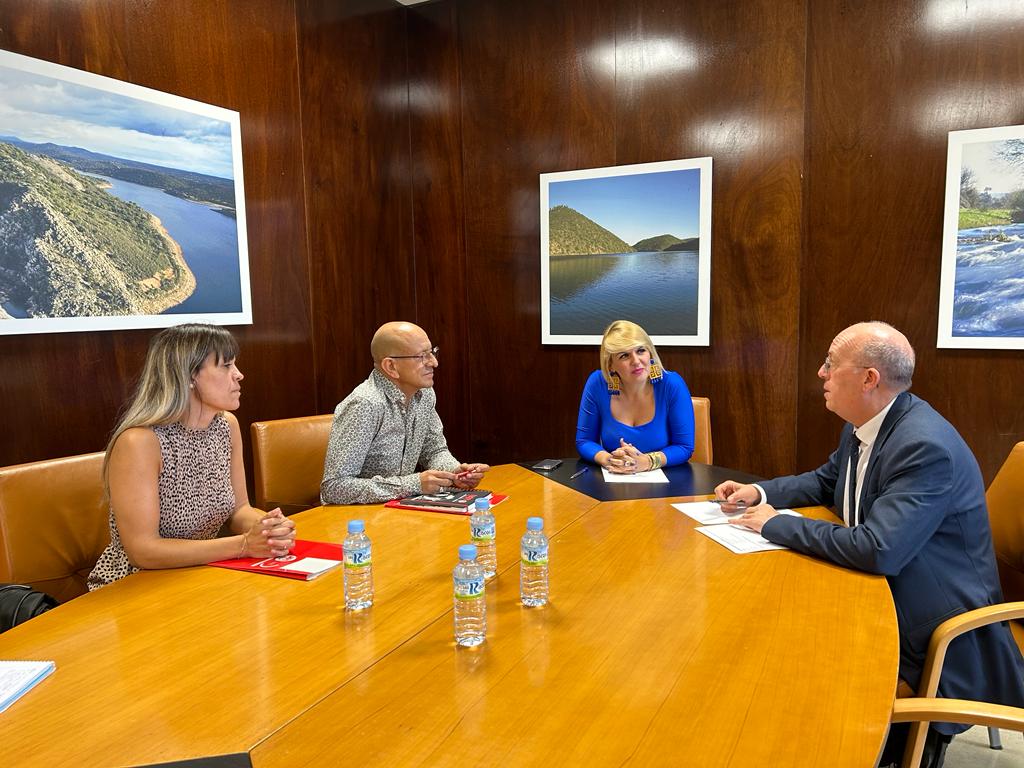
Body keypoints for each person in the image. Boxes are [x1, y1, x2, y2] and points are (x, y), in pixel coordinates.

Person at [715, 321, 1024, 766]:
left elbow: (878, 549)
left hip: (936, 625)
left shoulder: (923, 446)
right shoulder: (870, 422)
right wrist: (762, 494)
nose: (821, 373)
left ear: (868, 379)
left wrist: (773, 525)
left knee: (799, 658)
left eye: (829, 364)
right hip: (896, 584)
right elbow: (828, 480)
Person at [87, 324, 296, 591]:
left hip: (197, 576)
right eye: (226, 365)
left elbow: (238, 510)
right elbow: (143, 550)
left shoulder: (226, 426)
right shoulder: (138, 442)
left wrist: (268, 529)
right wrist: (243, 545)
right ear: (188, 375)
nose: (239, 375)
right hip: (134, 587)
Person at [320, 321, 489, 504]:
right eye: (422, 356)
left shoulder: (424, 394)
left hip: (396, 510)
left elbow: (434, 451)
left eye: (432, 352)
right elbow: (334, 487)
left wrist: (456, 473)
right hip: (356, 519)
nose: (434, 362)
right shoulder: (365, 404)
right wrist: (414, 484)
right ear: (391, 366)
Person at [575, 319, 695, 473]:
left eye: (640, 350)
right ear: (610, 365)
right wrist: (611, 460)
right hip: (614, 479)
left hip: (666, 485)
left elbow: (684, 447)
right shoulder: (597, 383)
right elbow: (584, 441)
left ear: (650, 352)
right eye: (624, 355)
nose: (636, 361)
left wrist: (646, 462)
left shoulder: (671, 384)